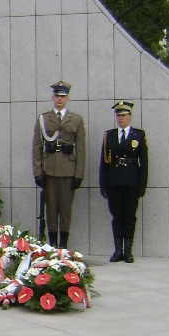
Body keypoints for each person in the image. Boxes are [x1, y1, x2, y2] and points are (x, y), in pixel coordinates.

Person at [32, 81, 86, 248]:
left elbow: (81, 150)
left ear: (68, 98)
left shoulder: (76, 120)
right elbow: (36, 147)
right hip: (49, 170)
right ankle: (53, 244)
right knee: (51, 210)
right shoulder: (44, 119)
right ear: (52, 97)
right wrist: (37, 171)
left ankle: (63, 245)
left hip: (68, 171)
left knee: (65, 210)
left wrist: (78, 175)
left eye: (63, 96)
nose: (59, 99)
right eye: (57, 96)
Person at [99, 100, 149, 263]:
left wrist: (142, 184)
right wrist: (103, 183)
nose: (120, 118)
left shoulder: (138, 135)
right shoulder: (110, 135)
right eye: (118, 115)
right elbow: (104, 161)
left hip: (131, 181)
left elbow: (144, 162)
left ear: (130, 117)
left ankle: (128, 250)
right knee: (116, 216)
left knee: (129, 216)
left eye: (123, 115)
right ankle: (117, 250)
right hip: (114, 182)